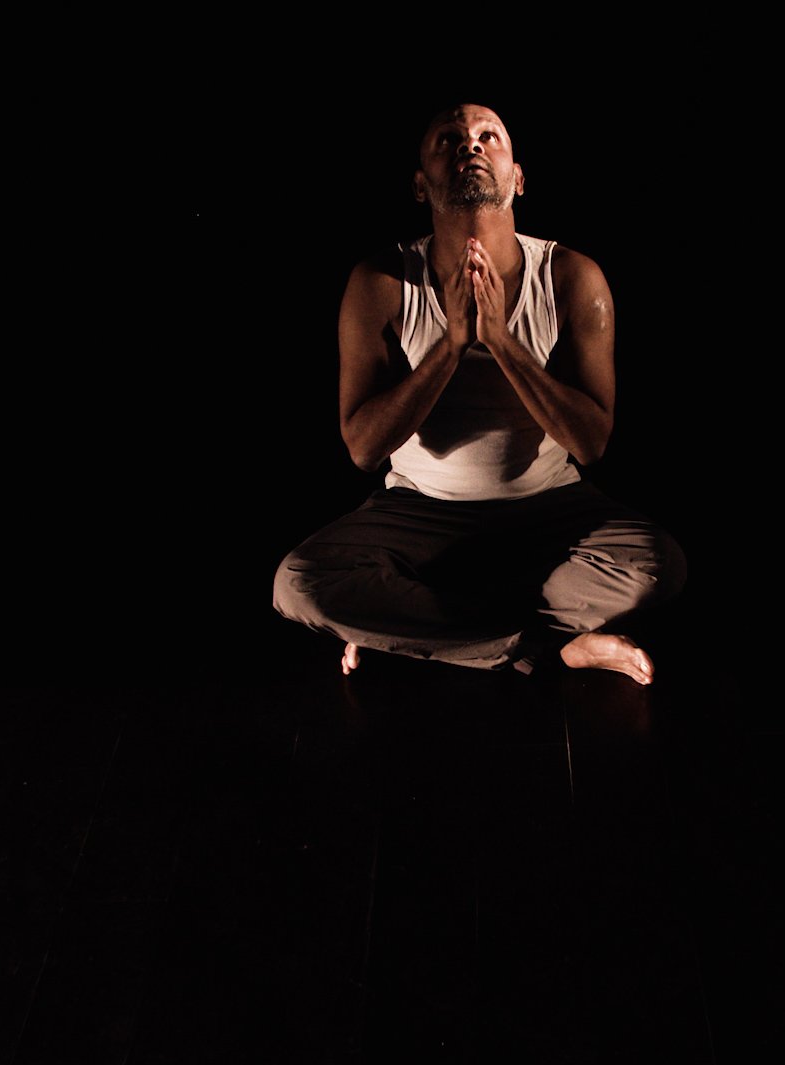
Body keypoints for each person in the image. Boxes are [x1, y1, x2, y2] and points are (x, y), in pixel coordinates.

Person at [270, 102, 686, 686]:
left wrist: (501, 340)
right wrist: (451, 344)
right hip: (418, 508)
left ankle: (416, 631)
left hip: (550, 506)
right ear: (421, 185)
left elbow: (591, 444)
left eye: (489, 136)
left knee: (657, 565)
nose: (471, 146)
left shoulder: (572, 276)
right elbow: (363, 449)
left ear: (518, 178)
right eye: (449, 139)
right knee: (299, 584)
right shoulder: (381, 282)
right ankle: (555, 647)